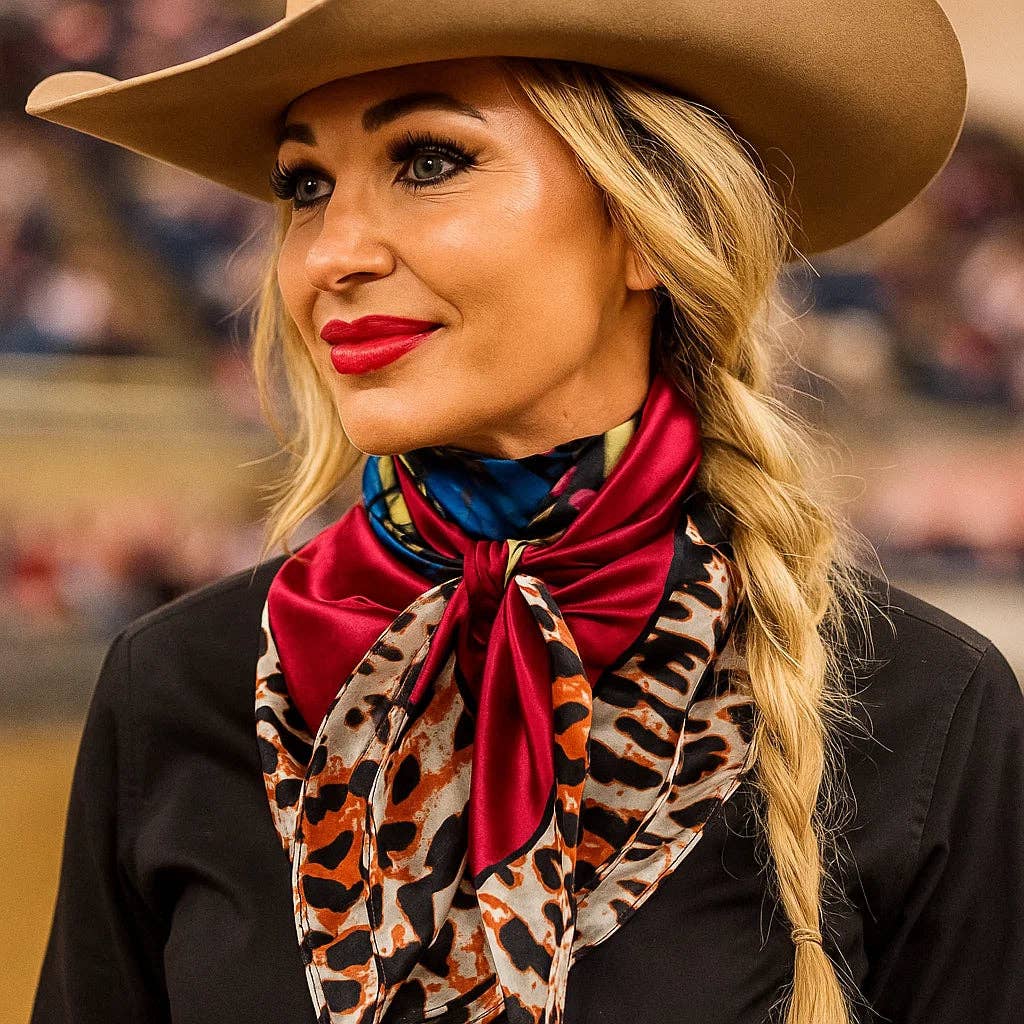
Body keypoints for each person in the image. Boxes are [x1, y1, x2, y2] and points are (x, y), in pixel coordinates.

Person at [22, 2, 1024, 1023]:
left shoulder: (921, 711)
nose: (330, 255)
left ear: (651, 219)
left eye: (426, 160)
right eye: (306, 185)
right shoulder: (179, 684)